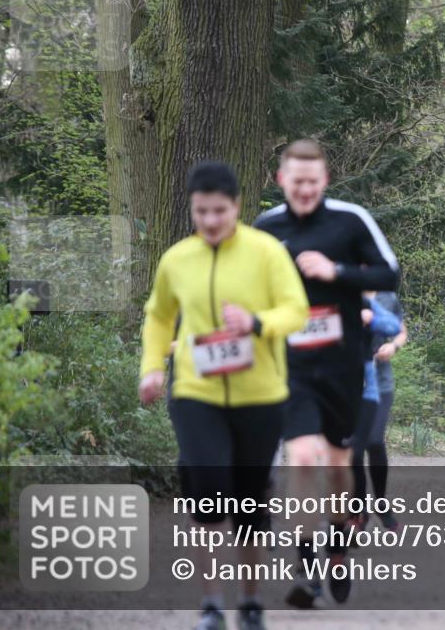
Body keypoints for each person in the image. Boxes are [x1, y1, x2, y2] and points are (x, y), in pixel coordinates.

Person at [138, 160, 309, 630]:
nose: (211, 221)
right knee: (209, 492)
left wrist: (256, 323)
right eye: (201, 212)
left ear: (236, 206)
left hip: (261, 395)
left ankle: (250, 601)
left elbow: (296, 311)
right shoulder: (177, 259)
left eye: (219, 211)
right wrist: (151, 369)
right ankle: (212, 604)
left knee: (249, 504)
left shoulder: (265, 252)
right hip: (196, 391)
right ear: (192, 210)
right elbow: (158, 317)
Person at [253, 139, 399, 608]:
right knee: (300, 457)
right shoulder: (266, 228)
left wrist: (334, 270)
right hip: (291, 365)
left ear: (325, 180)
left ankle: (337, 547)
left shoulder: (351, 220)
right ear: (282, 180)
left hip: (342, 365)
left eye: (312, 183)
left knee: (337, 465)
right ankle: (307, 569)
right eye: (296, 182)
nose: (304, 191)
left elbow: (389, 274)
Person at [349, 292, 402, 532]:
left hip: (380, 384)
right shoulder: (341, 293)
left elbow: (400, 330)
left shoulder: (387, 298)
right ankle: (358, 509)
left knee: (374, 441)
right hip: (348, 384)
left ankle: (381, 503)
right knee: (354, 449)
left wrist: (393, 345)